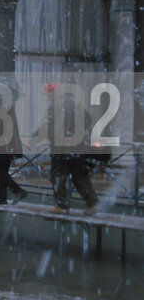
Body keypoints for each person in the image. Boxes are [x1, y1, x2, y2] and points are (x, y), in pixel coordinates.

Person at [44, 84, 102, 215]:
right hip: (77, 147)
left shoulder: (54, 107)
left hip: (61, 149)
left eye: (49, 95)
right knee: (79, 175)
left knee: (57, 175)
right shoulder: (76, 105)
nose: (49, 98)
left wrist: (55, 136)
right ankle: (92, 203)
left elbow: (51, 128)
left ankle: (62, 205)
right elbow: (88, 119)